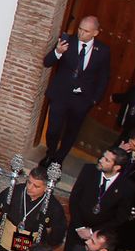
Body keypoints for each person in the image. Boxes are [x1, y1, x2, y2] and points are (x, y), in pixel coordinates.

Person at [42, 16, 111, 167]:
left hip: (81, 99)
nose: (81, 33)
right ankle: (51, 153)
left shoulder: (103, 51)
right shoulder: (66, 41)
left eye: (86, 31)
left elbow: (103, 77)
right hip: (60, 95)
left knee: (71, 132)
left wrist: (94, 100)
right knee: (53, 130)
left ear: (95, 33)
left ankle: (58, 159)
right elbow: (47, 62)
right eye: (80, 29)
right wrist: (58, 52)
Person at [66, 146, 135, 250]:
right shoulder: (89, 170)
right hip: (77, 228)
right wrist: (79, 227)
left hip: (99, 237)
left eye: (107, 160)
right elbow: (74, 199)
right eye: (103, 157)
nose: (101, 160)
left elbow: (120, 217)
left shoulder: (127, 188)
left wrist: (92, 231)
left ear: (117, 167)